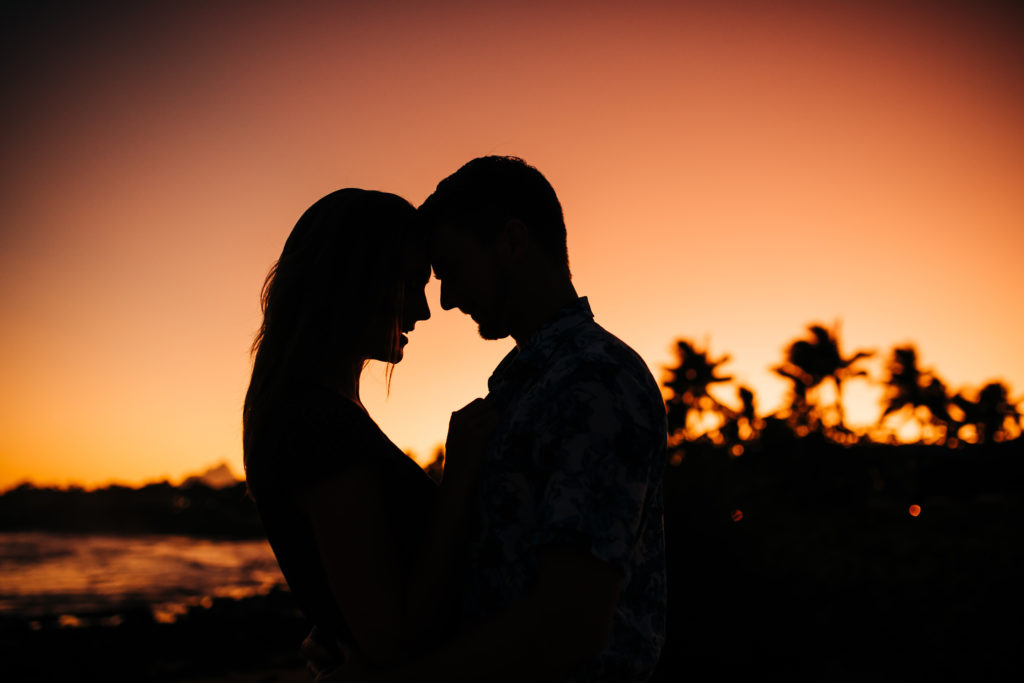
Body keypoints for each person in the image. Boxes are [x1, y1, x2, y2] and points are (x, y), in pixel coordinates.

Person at [319, 156, 667, 682]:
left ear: (512, 241)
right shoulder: (534, 383)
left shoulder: (594, 379)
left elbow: (571, 624)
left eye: (453, 270)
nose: (448, 300)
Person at [243, 188, 497, 675]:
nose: (423, 312)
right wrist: (460, 477)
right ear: (354, 282)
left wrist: (331, 626)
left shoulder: (321, 415)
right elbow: (392, 641)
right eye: (408, 286)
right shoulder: (318, 427)